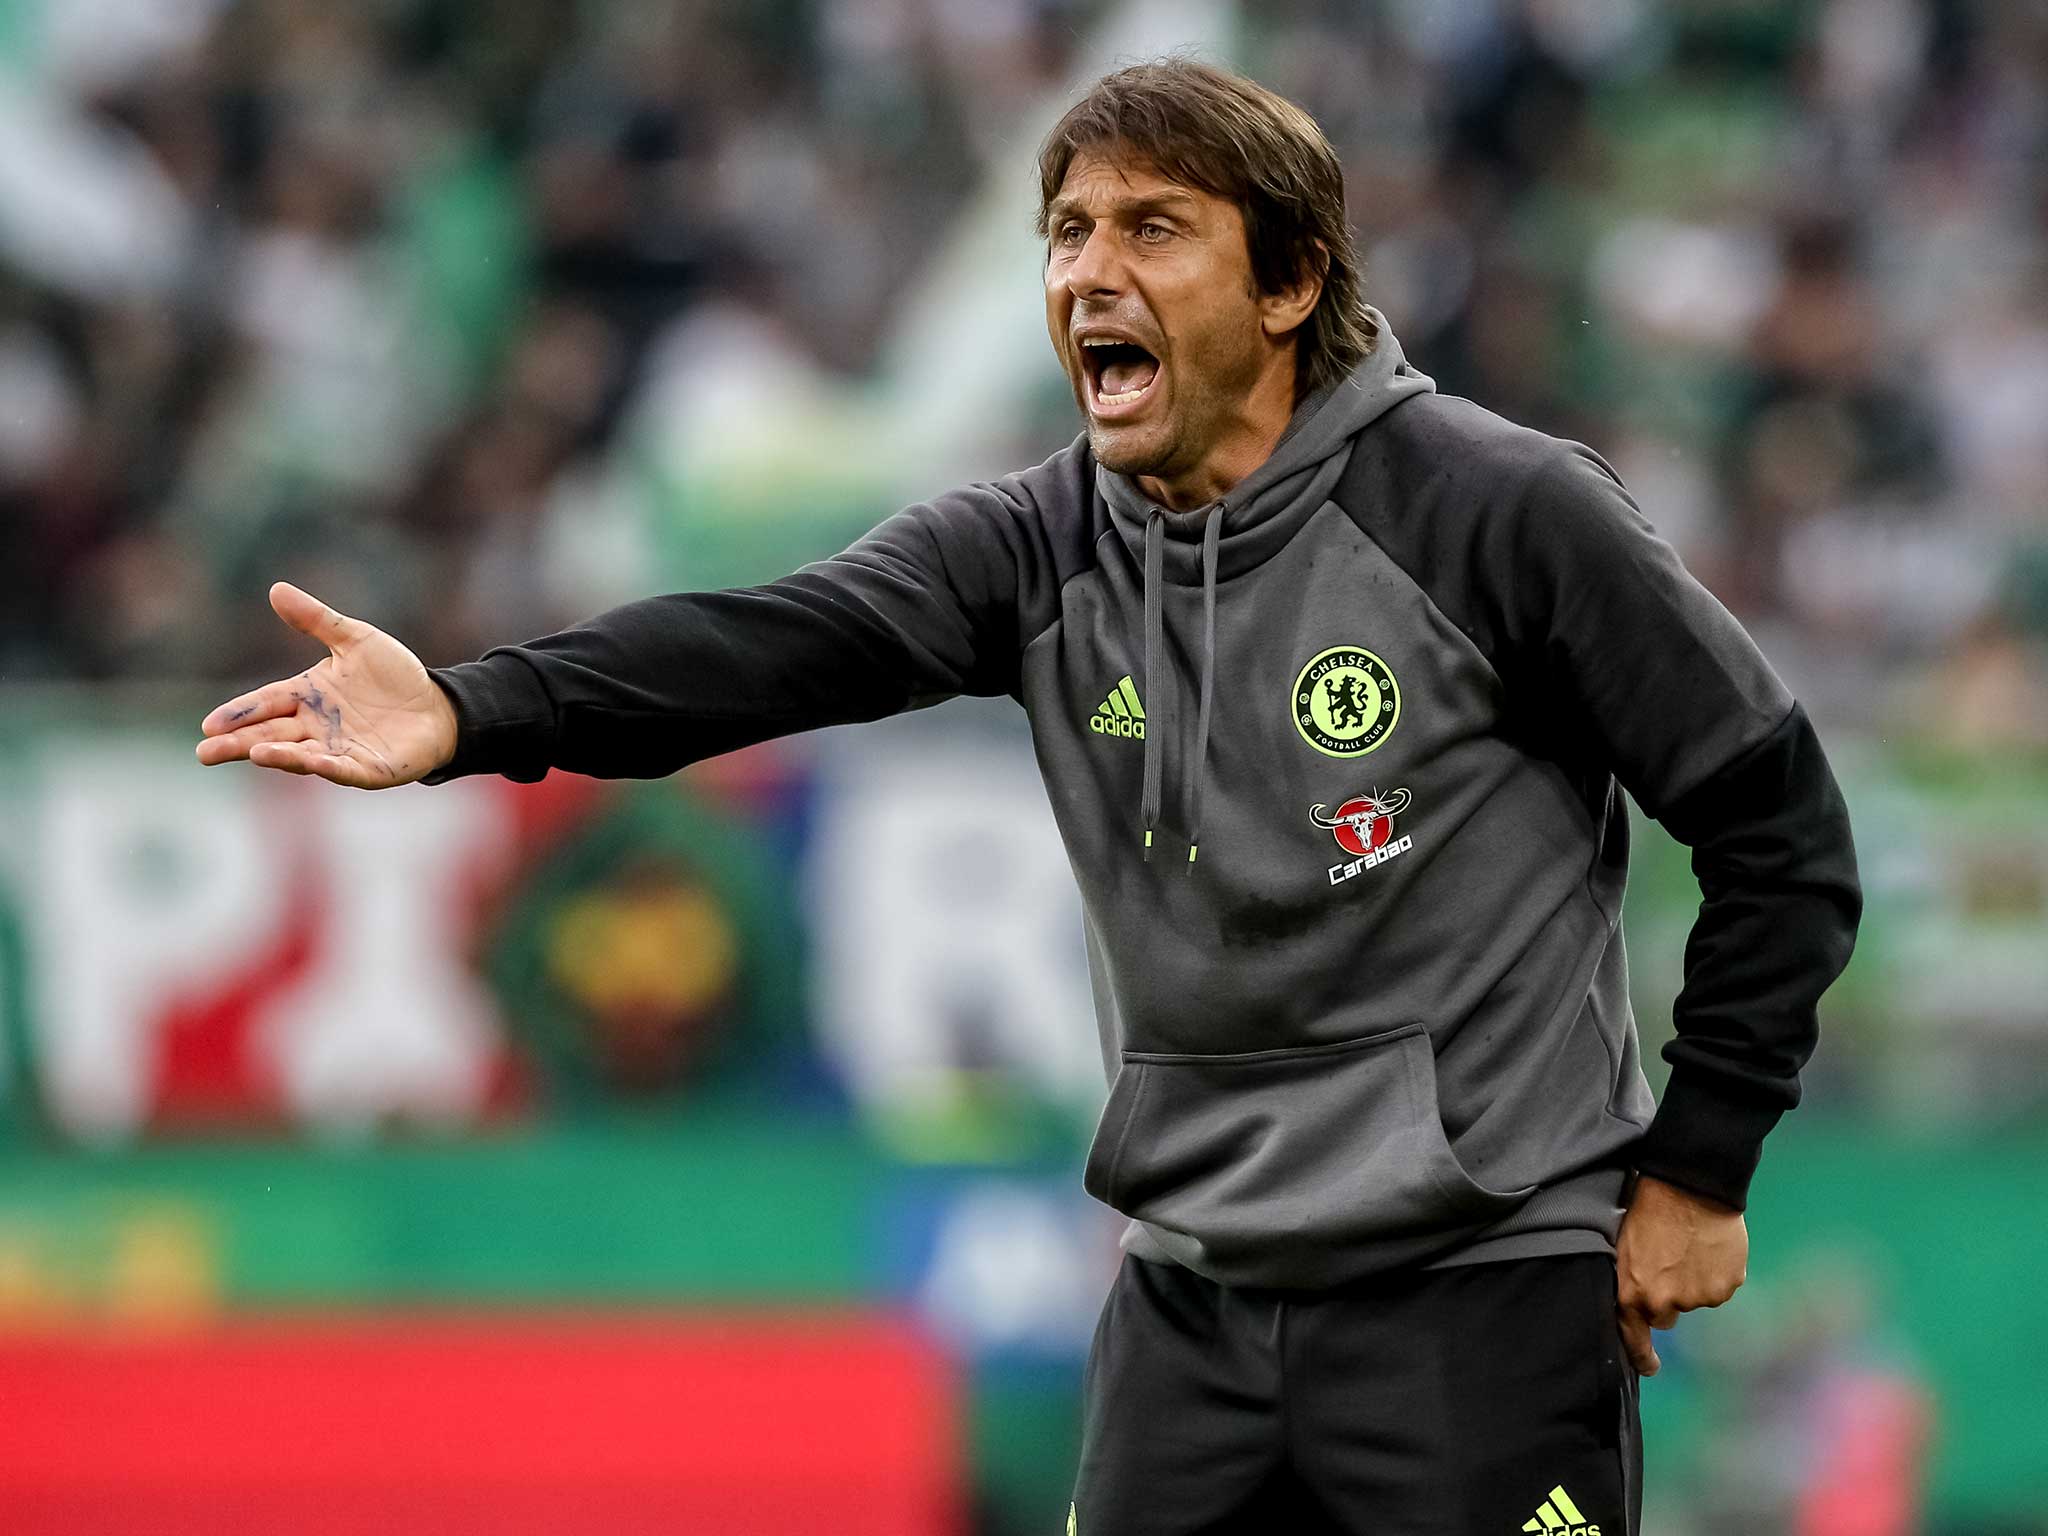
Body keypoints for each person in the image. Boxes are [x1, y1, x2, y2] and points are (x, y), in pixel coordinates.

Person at [197, 60, 1861, 1536]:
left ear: (1288, 282)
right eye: (1066, 233)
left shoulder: (1498, 512)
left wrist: (1699, 1165)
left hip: (1478, 1297)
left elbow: (1779, 826)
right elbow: (769, 647)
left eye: (1153, 229)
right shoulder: (1037, 543)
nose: (1087, 274)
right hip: (1188, 1309)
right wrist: (479, 705)